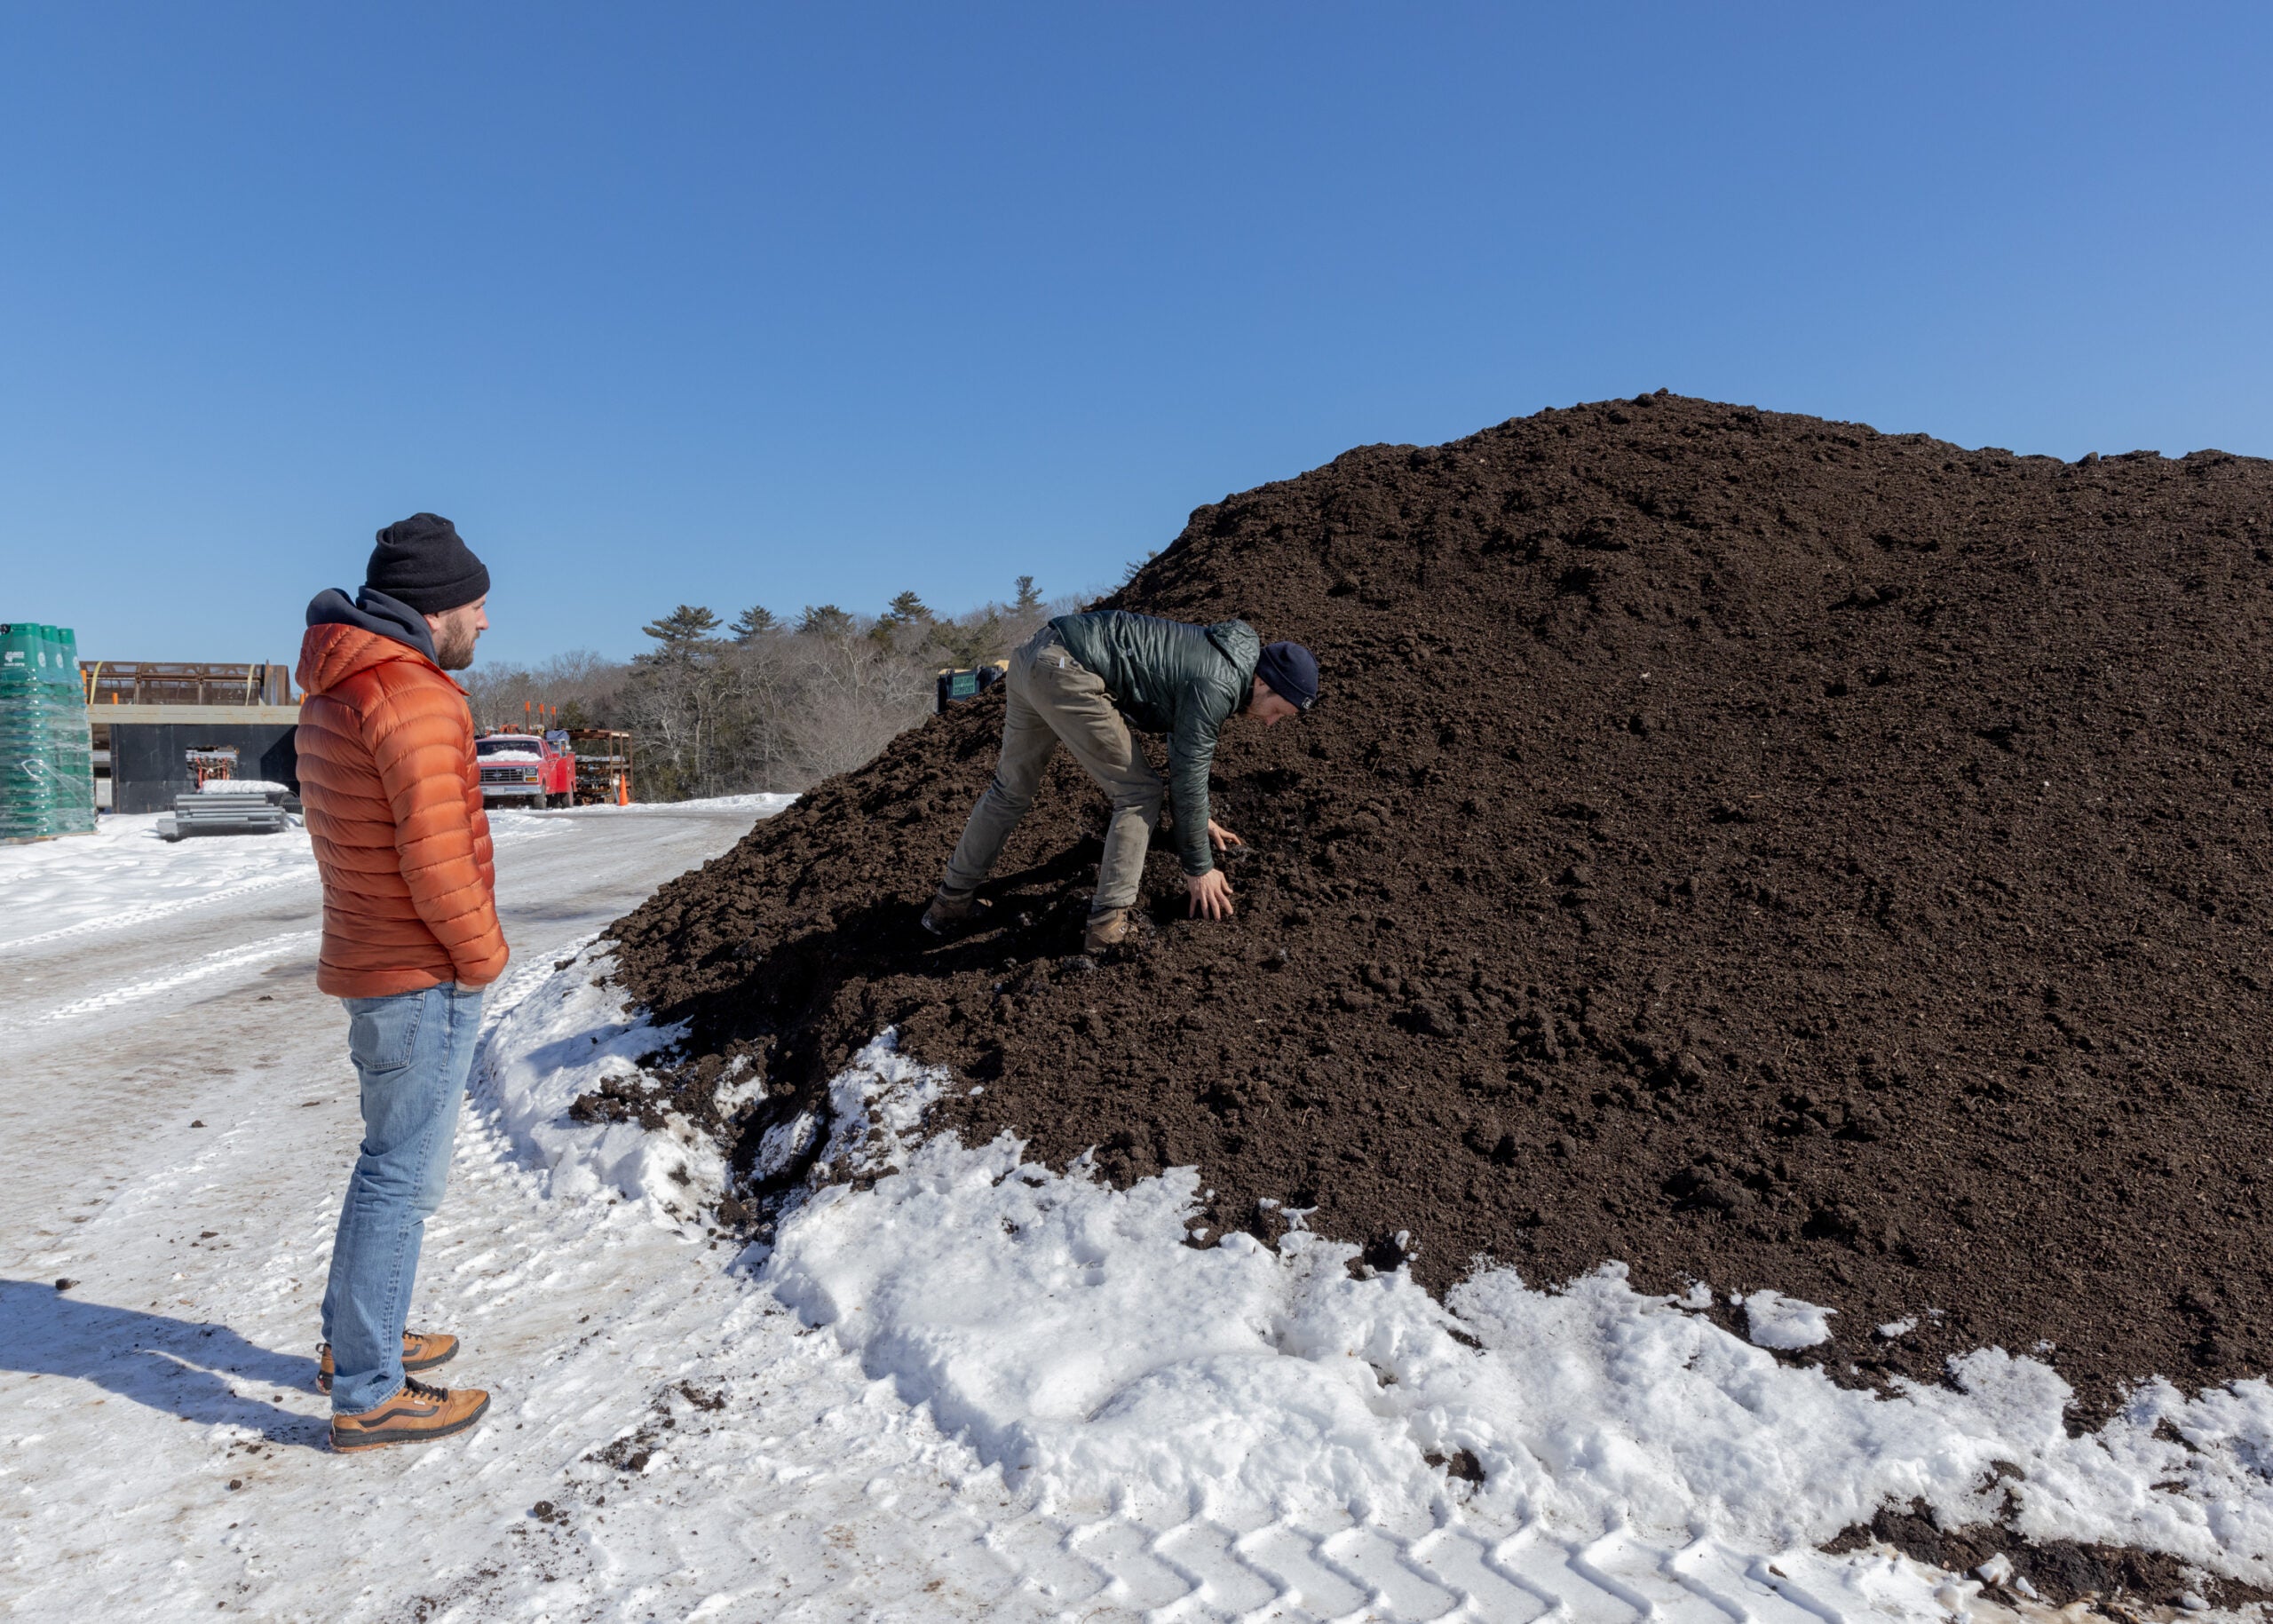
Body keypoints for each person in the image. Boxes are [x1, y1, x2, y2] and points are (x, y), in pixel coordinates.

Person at [296, 512, 507, 1452]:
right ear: (435, 610)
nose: (485, 622)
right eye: (476, 604)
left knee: (385, 1159)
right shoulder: (415, 698)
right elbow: (437, 860)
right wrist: (483, 958)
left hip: (372, 957)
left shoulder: (337, 686)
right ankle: (373, 1389)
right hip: (419, 969)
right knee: (403, 1177)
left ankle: (357, 1341)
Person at [923, 608, 1319, 953]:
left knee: (1010, 789)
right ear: (1265, 683)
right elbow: (1188, 777)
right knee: (1139, 791)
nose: (1270, 722)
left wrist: (1201, 820)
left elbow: (1183, 754)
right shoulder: (1218, 683)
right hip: (1068, 668)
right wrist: (1199, 868)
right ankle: (1108, 928)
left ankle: (950, 903)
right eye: (1277, 711)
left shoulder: (1217, 661)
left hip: (1034, 656)